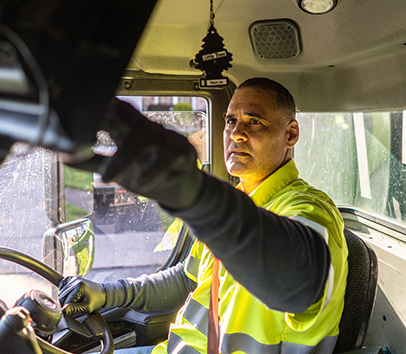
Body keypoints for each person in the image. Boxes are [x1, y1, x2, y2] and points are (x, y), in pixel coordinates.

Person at [59, 78, 348, 354]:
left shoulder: (311, 210)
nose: (236, 133)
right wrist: (108, 294)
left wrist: (193, 192)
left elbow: (299, 276)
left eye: (255, 121)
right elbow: (186, 280)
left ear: (291, 134)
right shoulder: (241, 203)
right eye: (231, 121)